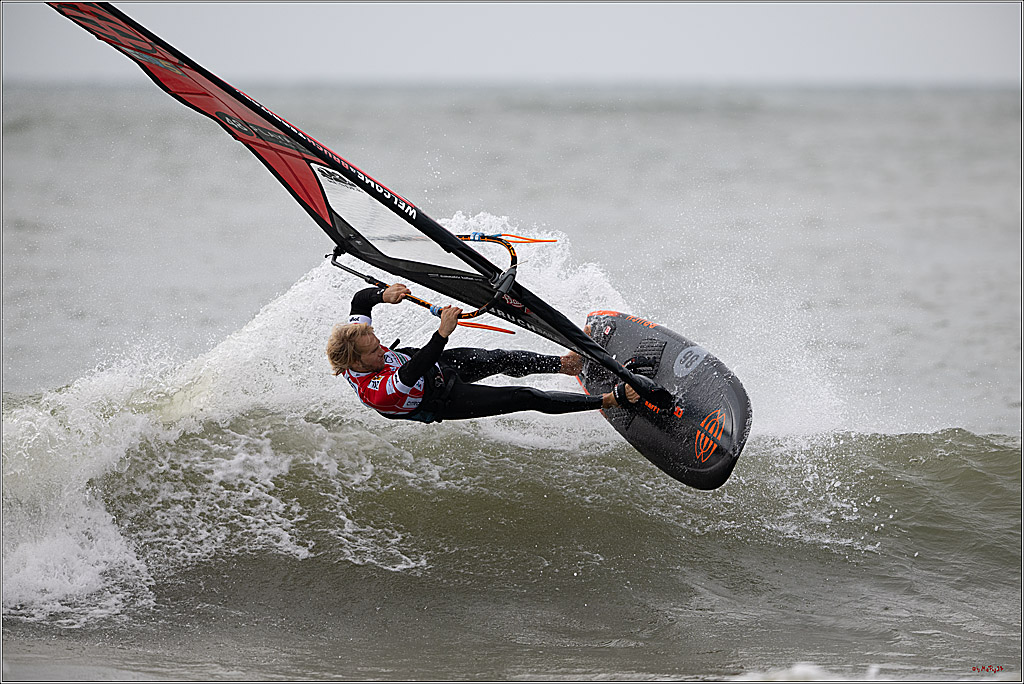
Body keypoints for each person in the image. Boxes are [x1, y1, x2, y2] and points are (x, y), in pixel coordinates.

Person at [326, 283, 639, 423]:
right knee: (525, 397)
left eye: (375, 338)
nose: (379, 347)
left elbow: (360, 301)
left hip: (436, 366)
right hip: (441, 400)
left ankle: (566, 364)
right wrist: (442, 332)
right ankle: (609, 401)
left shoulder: (358, 339)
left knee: (500, 358)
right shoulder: (376, 392)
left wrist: (384, 295)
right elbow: (414, 370)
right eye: (373, 351)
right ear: (355, 362)